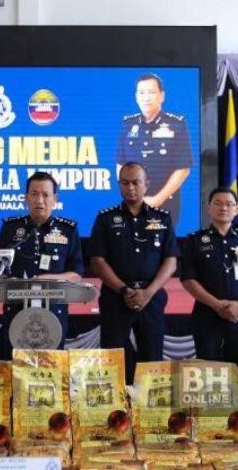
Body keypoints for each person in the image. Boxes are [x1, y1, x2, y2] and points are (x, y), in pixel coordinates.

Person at [89, 162, 179, 383]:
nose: (130, 187)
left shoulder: (162, 218)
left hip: (152, 297)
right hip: (116, 297)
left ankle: (148, 405)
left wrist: (148, 292)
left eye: (136, 182)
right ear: (119, 185)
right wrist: (124, 290)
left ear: (146, 184)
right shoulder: (105, 218)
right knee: (113, 360)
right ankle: (118, 404)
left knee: (152, 359)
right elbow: (97, 261)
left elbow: (171, 261)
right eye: (125, 183)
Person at [0, 171, 84, 360]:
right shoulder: (11, 228)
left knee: (51, 367)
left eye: (45, 195)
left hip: (54, 312)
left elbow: (76, 274)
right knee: (16, 367)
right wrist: (8, 281)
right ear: (26, 197)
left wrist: (47, 279)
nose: (39, 200)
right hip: (16, 312)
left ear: (55, 199)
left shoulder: (68, 230)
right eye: (34, 194)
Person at [180, 187, 238, 364]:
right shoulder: (194, 241)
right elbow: (188, 279)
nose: (224, 208)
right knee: (208, 368)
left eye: (229, 204)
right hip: (206, 315)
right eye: (218, 203)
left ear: (237, 209)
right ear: (208, 208)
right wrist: (217, 305)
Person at [116, 73, 193, 223]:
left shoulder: (176, 124)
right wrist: (133, 197)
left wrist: (158, 199)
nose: (146, 97)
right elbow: (120, 164)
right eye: (141, 93)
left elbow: (183, 168)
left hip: (166, 204)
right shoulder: (128, 124)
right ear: (136, 97)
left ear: (162, 96)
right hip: (132, 205)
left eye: (151, 92)